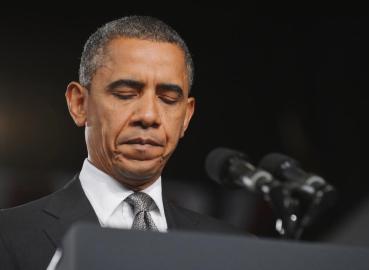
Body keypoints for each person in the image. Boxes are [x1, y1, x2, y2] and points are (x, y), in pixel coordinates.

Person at [0, 15, 243, 270]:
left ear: (186, 116)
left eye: (169, 99)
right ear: (79, 104)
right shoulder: (8, 236)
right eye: (125, 94)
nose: (148, 116)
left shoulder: (235, 248)